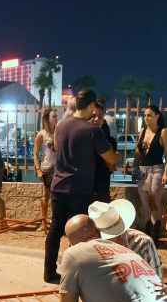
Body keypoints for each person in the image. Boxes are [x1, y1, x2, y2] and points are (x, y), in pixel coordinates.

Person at [43, 89, 119, 284]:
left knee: (55, 229)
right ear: (92, 106)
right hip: (80, 189)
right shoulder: (92, 130)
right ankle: (77, 275)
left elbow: (60, 150)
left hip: (58, 186)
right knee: (81, 233)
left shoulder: (60, 125)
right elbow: (110, 158)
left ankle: (49, 271)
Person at [88, 199, 162, 278]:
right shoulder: (89, 248)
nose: (118, 237)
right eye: (112, 236)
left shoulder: (143, 242)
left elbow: (157, 279)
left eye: (119, 232)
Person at [133, 104, 167, 240]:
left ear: (157, 116)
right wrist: (134, 165)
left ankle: (155, 236)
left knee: (154, 202)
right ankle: (147, 233)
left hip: (156, 169)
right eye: (145, 115)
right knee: (145, 203)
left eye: (149, 115)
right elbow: (138, 151)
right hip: (143, 170)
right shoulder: (143, 130)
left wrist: (166, 173)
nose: (146, 118)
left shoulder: (163, 132)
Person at [88, 99, 117, 203]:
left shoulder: (110, 141)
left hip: (101, 189)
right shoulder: (80, 138)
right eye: (93, 116)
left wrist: (110, 157)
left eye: (100, 117)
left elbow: (112, 168)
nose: (96, 119)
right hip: (82, 190)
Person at [33, 108, 58, 225]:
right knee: (45, 196)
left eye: (56, 116)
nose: (56, 118)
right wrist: (38, 170)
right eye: (54, 116)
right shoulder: (41, 135)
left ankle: (55, 222)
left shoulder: (59, 132)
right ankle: (44, 222)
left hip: (59, 169)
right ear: (47, 119)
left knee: (56, 196)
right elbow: (35, 154)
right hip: (47, 168)